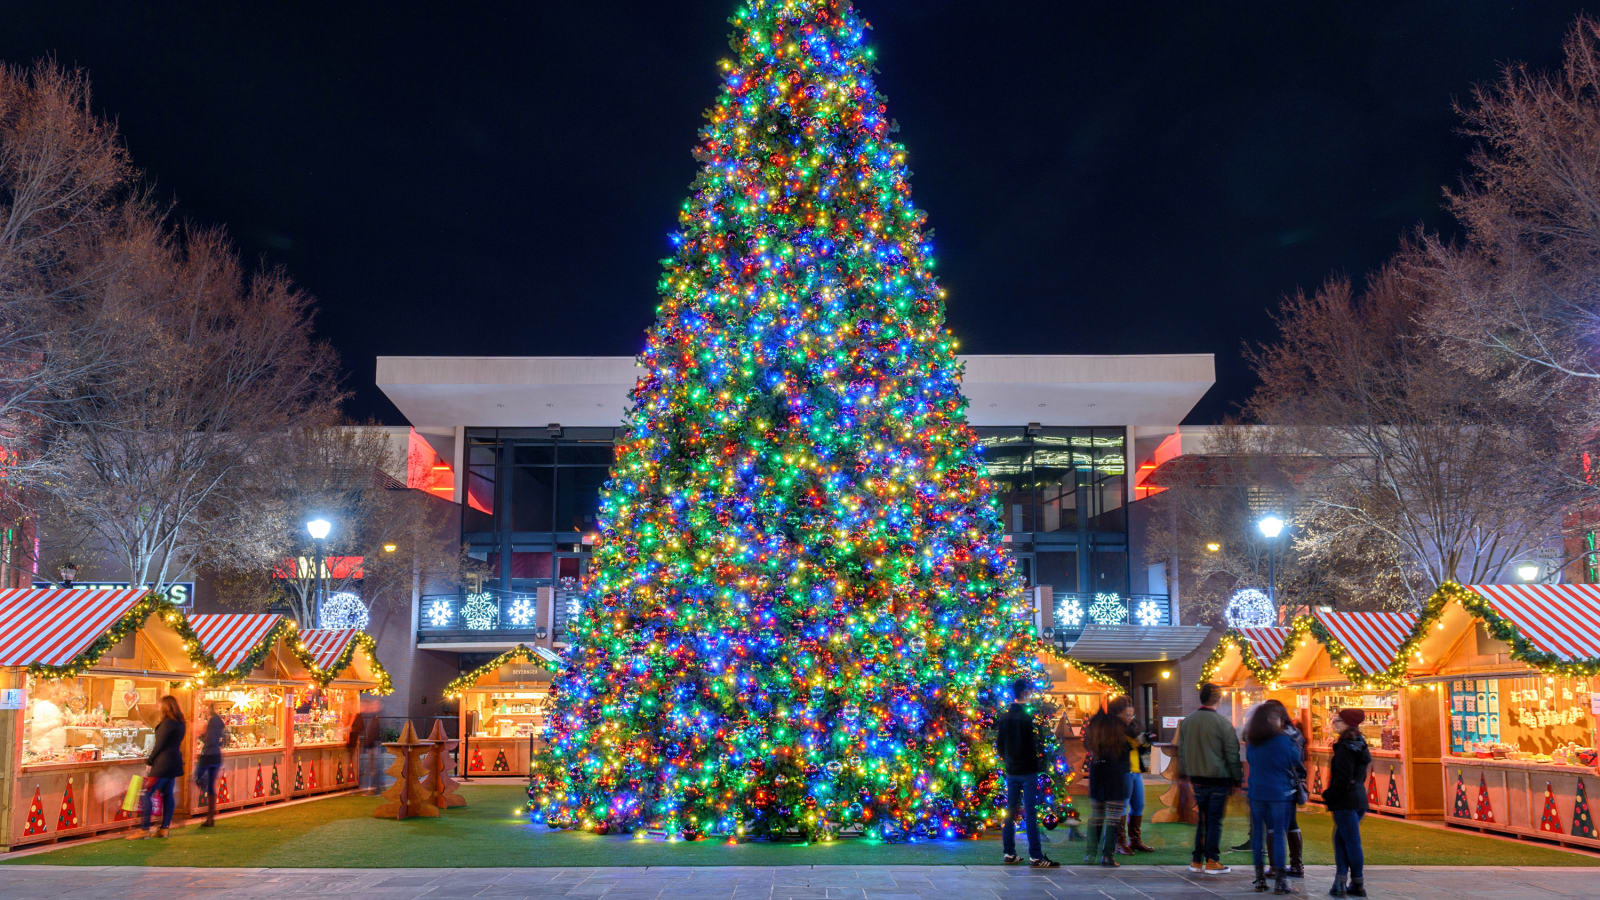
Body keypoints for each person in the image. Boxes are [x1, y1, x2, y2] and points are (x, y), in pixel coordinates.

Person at [1178, 683, 1242, 875]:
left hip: (1196, 778)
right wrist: (1237, 778)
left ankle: (1197, 860)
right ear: (1218, 699)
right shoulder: (1222, 723)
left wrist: (1184, 773)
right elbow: (1232, 753)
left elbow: (1182, 751)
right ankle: (1212, 860)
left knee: (1202, 820)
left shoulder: (1188, 721)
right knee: (1214, 820)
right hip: (1218, 778)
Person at [995, 678, 1060, 867]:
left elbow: (1000, 745)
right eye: (1030, 692)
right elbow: (1032, 746)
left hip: (1012, 770)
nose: (1031, 695)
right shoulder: (1026, 717)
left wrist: (1008, 760)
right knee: (1030, 813)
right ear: (1024, 693)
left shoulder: (1006, 716)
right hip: (1028, 770)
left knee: (1010, 811)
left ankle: (1009, 852)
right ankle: (1036, 856)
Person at [1245, 702, 1299, 894]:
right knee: (1278, 835)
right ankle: (1280, 880)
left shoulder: (1252, 741)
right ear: (1271, 720)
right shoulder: (1283, 740)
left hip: (1256, 792)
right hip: (1278, 792)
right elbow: (1294, 759)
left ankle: (1259, 878)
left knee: (1258, 836)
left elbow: (1251, 761)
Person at [1324, 709, 1372, 897]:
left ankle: (1354, 882)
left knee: (1349, 841)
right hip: (1358, 798)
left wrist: (1330, 795)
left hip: (1345, 800)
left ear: (1347, 723)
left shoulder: (1345, 747)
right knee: (1342, 839)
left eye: (1338, 720)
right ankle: (1343, 881)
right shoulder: (1360, 744)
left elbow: (1342, 778)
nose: (1334, 722)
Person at [1082, 697, 1134, 867]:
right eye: (1127, 714)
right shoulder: (1121, 728)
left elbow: (1087, 743)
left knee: (1096, 815)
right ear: (1120, 712)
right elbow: (1127, 750)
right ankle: (1108, 856)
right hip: (1116, 774)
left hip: (1097, 771)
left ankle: (1090, 854)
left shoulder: (1097, 723)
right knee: (1113, 817)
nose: (1129, 717)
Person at [1259, 699, 1307, 878]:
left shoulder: (1278, 737)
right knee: (1292, 824)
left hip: (1277, 785)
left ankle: (1275, 867)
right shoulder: (1295, 733)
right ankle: (1296, 865)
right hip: (1292, 785)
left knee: (1273, 826)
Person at [127, 695, 185, 839]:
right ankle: (164, 828)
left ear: (165, 707)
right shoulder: (180, 723)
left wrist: (150, 761)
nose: (158, 707)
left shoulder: (167, 723)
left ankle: (144, 829)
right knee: (168, 795)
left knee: (146, 793)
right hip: (174, 763)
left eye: (160, 705)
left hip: (162, 764)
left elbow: (159, 745)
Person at [1119, 709, 1157, 854]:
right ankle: (1120, 843)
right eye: (1127, 714)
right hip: (1124, 772)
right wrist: (1136, 742)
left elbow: (1140, 750)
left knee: (1138, 805)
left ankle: (1135, 840)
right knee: (1122, 807)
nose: (1130, 718)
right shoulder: (1116, 730)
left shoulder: (1133, 729)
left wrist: (1145, 742)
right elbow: (1120, 749)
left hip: (1136, 771)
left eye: (1131, 715)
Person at [195, 701, 227, 826]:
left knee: (198, 777)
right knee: (210, 785)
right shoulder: (218, 722)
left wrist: (202, 735)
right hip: (216, 756)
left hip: (208, 755)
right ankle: (210, 816)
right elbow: (220, 739)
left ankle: (210, 813)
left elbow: (209, 739)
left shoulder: (212, 721)